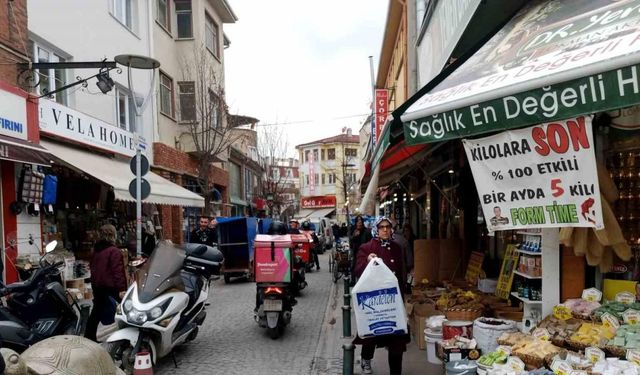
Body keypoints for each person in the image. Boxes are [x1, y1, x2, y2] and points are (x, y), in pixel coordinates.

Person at [354, 216, 409, 375]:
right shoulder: (367, 247)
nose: (385, 230)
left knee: (397, 338)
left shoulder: (397, 247)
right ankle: (366, 358)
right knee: (371, 334)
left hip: (393, 300)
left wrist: (404, 291)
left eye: (388, 227)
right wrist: (367, 261)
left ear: (391, 229)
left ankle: (395, 372)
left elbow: (401, 271)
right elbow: (357, 270)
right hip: (374, 300)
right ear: (376, 230)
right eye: (381, 227)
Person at [85, 224, 127, 342]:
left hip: (97, 286)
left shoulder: (96, 250)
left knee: (96, 312)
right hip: (111, 287)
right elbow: (117, 272)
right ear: (113, 235)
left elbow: (93, 269)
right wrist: (121, 289)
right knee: (126, 308)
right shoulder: (114, 251)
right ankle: (129, 334)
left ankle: (89, 336)